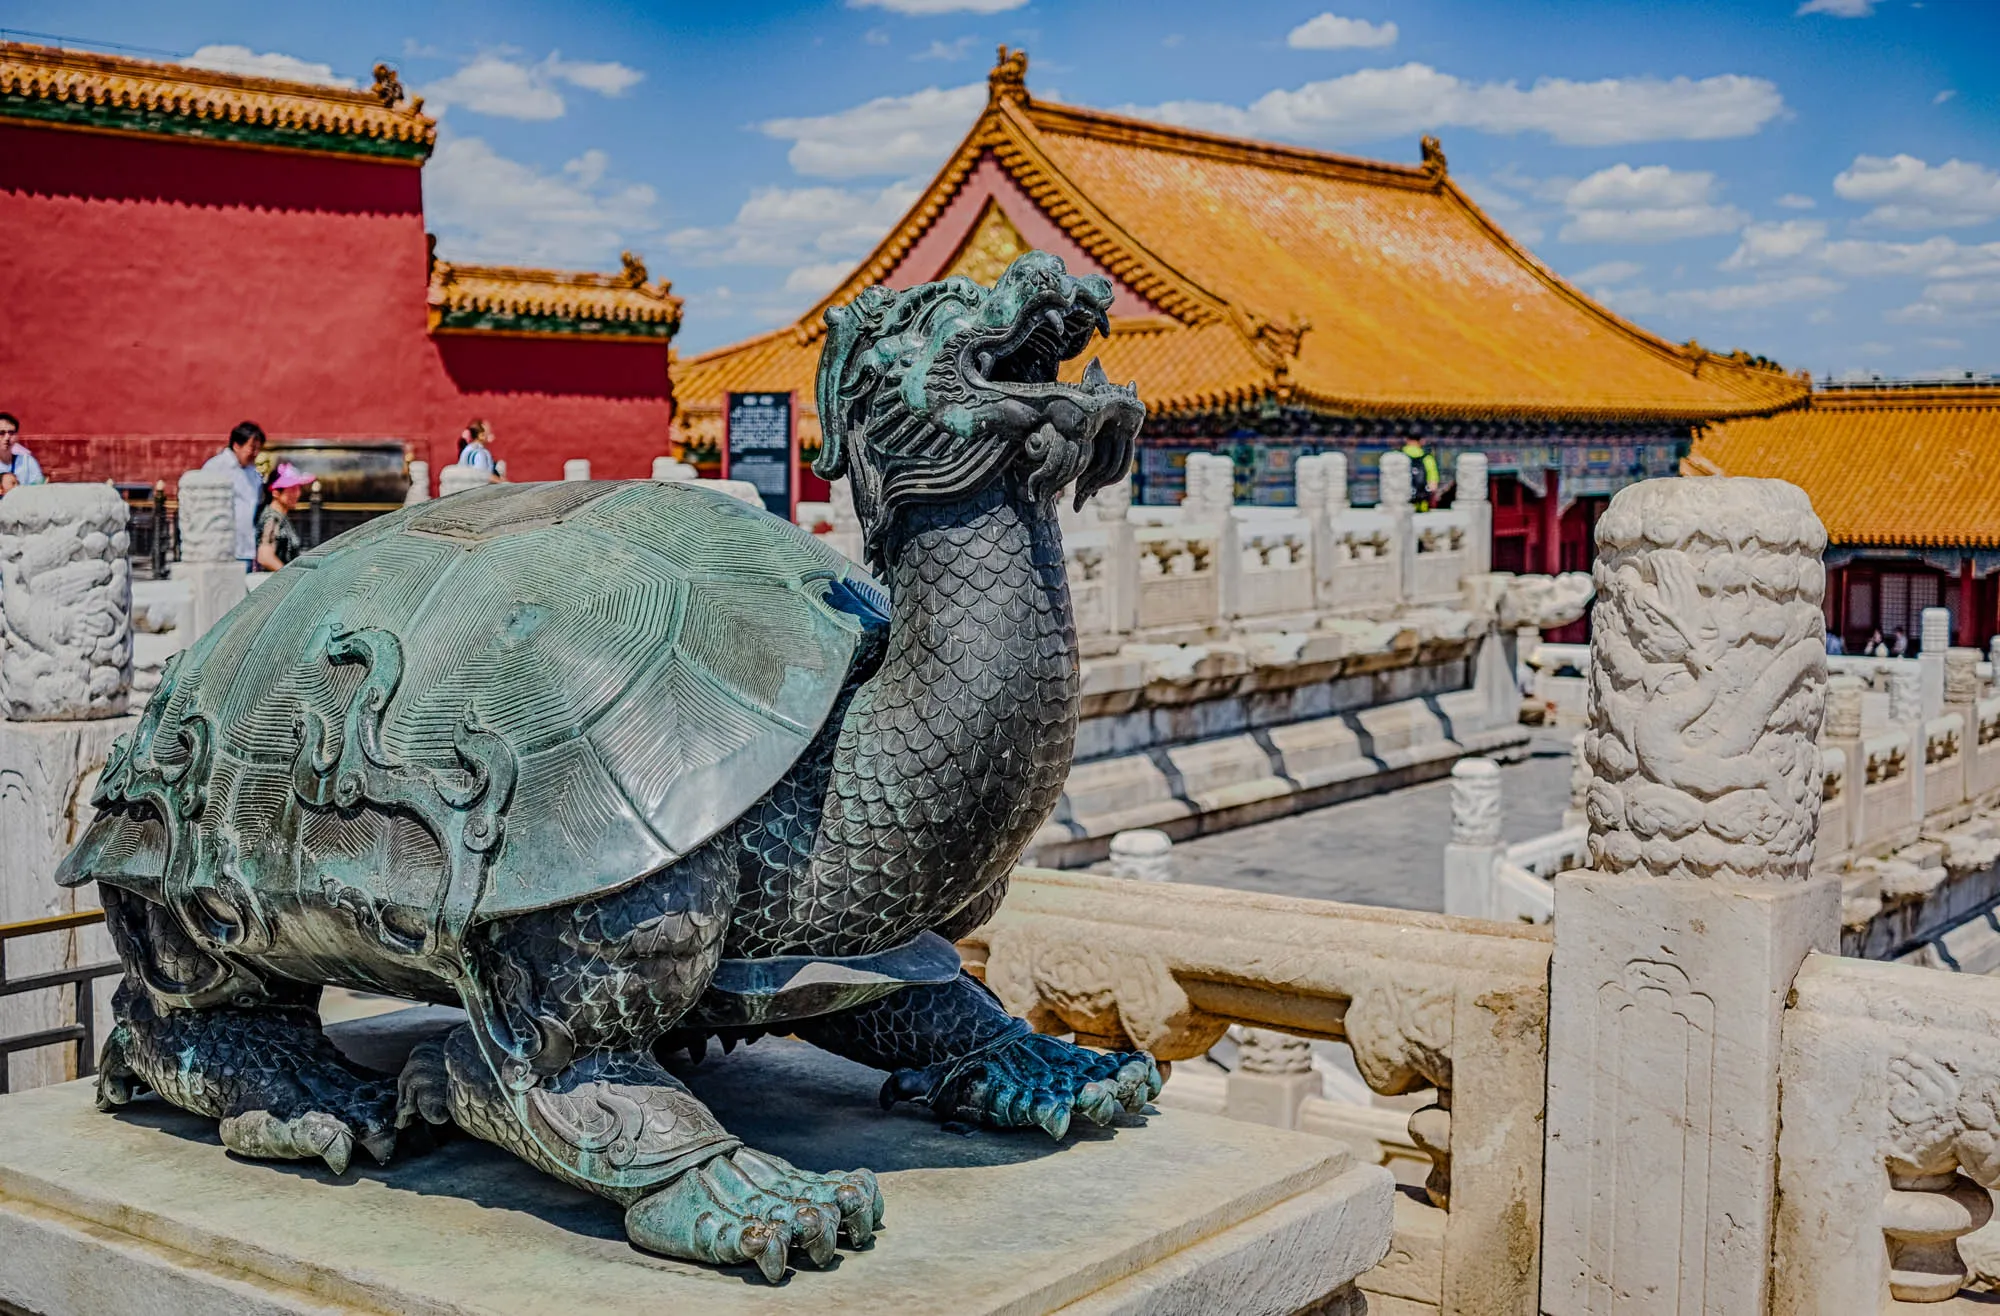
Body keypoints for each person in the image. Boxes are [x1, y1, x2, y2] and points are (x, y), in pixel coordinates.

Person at [201, 421, 266, 569]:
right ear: (237, 445)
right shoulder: (216, 468)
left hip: (245, 547)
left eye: (258, 449)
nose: (255, 453)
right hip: (221, 547)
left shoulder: (253, 474)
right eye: (252, 448)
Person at [256, 463, 313, 571]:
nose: (297, 494)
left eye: (298, 489)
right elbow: (264, 557)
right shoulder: (272, 518)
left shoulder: (279, 517)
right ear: (276, 492)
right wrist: (288, 577)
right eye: (291, 490)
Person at [0, 413, 45, 486]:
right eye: (1, 433)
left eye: (11, 433)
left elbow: (39, 490)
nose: (7, 437)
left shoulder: (27, 461)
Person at [1398, 437, 1440, 512]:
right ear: (1421, 441)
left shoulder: (1400, 455)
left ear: (1406, 440)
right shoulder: (1427, 457)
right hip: (1423, 496)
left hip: (1403, 497)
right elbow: (1432, 476)